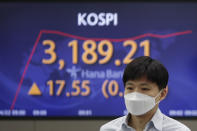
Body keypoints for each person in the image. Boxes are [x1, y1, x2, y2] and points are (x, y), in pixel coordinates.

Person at [100, 56, 191, 131]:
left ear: (162, 94)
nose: (135, 95)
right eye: (130, 88)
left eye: (144, 88)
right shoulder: (108, 129)